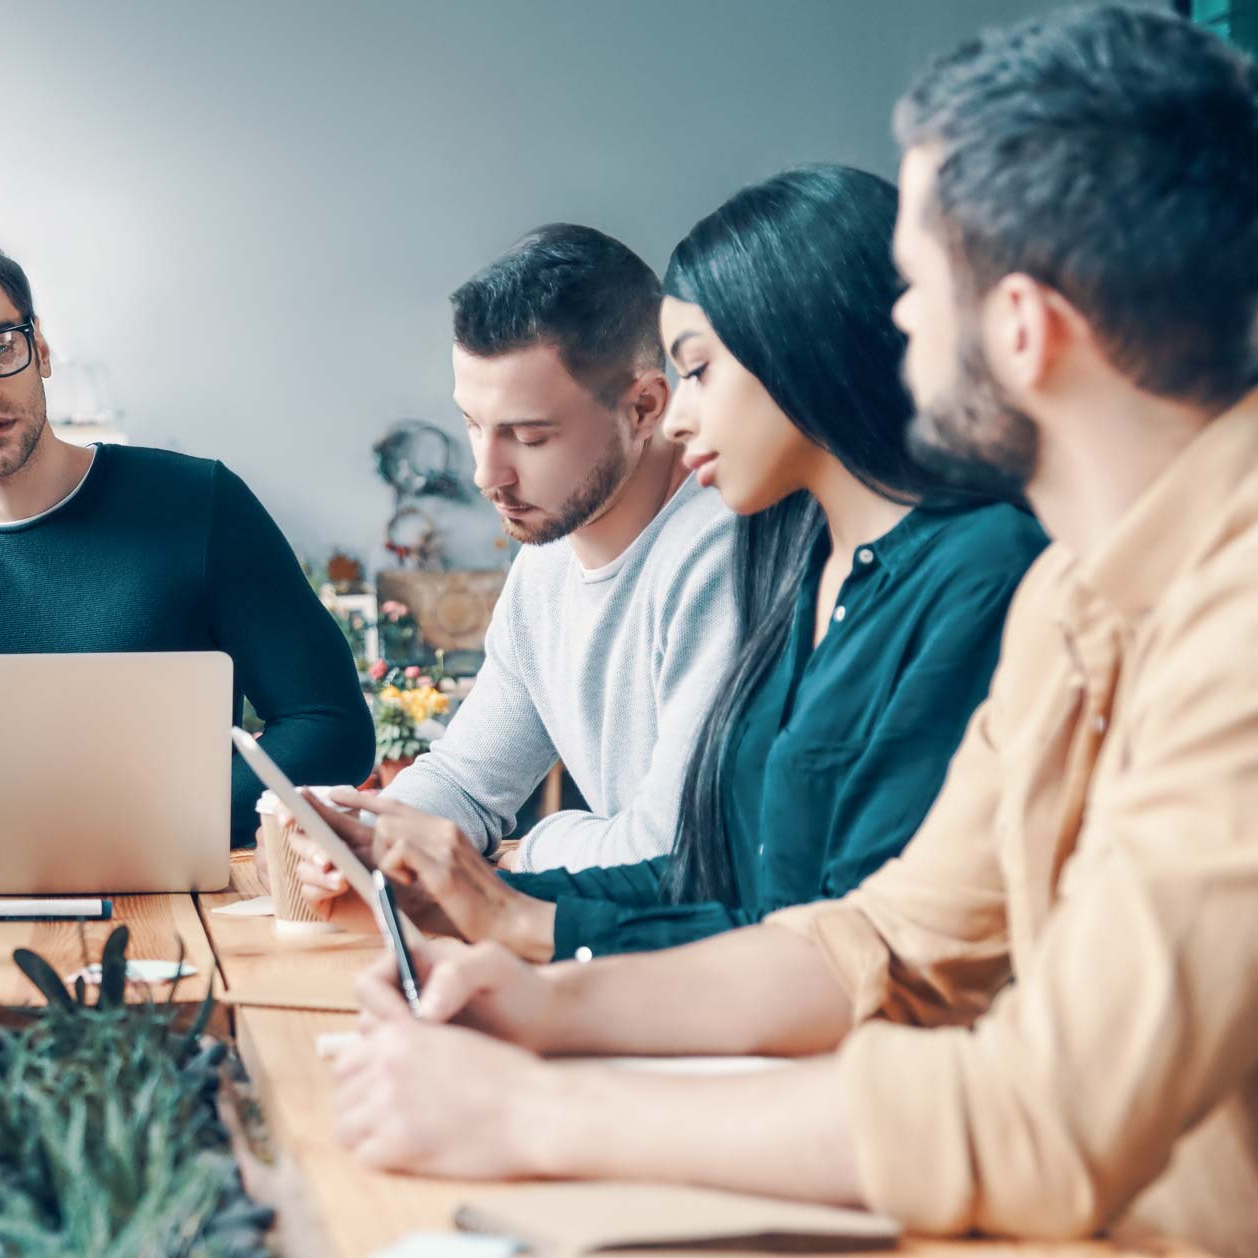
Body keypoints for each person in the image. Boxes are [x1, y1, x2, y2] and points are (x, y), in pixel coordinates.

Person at [317, 9, 1258, 1251]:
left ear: (1024, 329)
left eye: (921, 287)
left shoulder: (1230, 630)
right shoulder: (1080, 594)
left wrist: (542, 1112)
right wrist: (547, 1015)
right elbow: (882, 937)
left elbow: (1046, 1116)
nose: (897, 323)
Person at [299, 167, 1045, 961]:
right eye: (473, 428)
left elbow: (766, 905)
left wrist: (519, 871)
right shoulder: (825, 567)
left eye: (699, 371)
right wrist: (402, 855)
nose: (487, 475)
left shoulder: (781, 550)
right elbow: (760, 901)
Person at [0, 222, 372, 845]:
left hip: (185, 907)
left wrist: (147, 825)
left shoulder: (199, 505)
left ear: (42, 350)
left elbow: (331, 727)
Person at [368, 225, 741, 874]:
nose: (488, 475)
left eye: (530, 437)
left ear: (646, 407)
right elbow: (465, 780)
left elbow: (676, 850)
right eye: (473, 425)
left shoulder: (719, 557)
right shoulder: (545, 562)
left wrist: (526, 855)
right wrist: (369, 833)